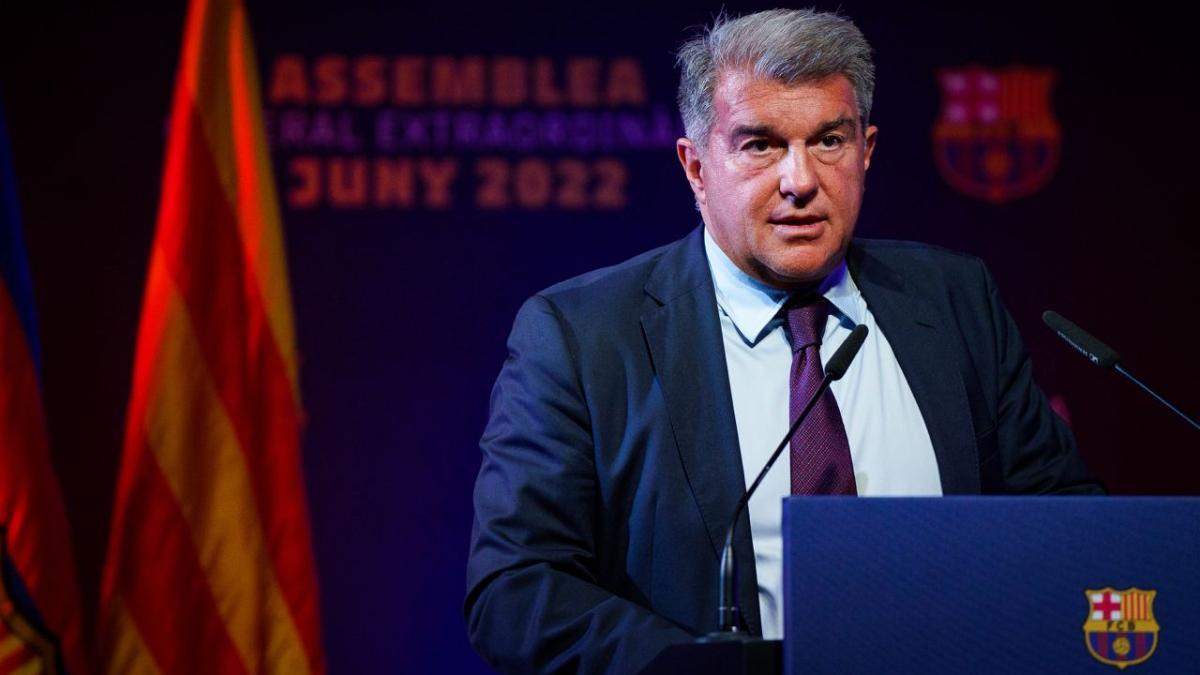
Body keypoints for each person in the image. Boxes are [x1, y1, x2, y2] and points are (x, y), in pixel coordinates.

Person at [465, 8, 1103, 674]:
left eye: (828, 140)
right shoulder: (584, 336)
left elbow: (1067, 522)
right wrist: (707, 670)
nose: (800, 181)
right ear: (696, 167)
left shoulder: (954, 301)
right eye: (760, 145)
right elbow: (517, 588)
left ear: (866, 152)